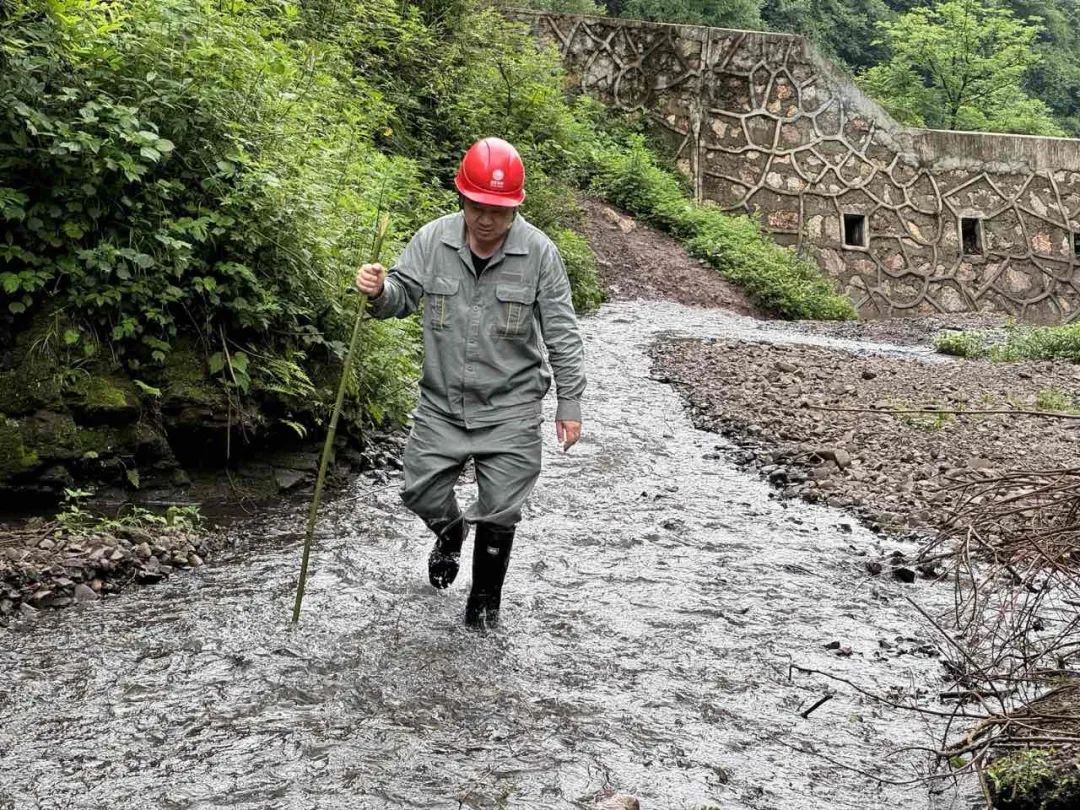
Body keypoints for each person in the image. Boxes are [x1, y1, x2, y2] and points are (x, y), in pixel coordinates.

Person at [354, 137, 586, 630]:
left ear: (515, 207)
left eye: (498, 211)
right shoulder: (432, 240)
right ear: (462, 198)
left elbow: (562, 332)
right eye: (478, 206)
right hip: (441, 405)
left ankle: (482, 614)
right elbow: (401, 297)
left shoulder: (540, 254)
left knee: (502, 510)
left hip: (511, 407)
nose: (486, 219)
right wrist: (378, 292)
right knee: (418, 490)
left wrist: (571, 402)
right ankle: (452, 532)